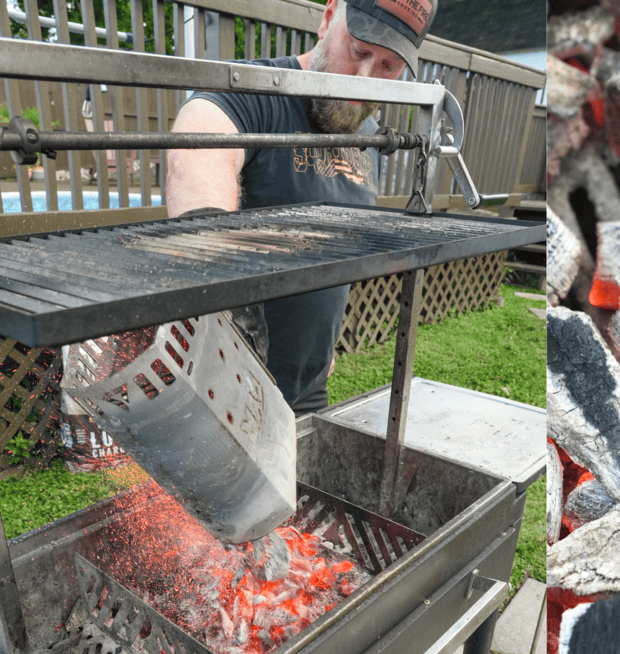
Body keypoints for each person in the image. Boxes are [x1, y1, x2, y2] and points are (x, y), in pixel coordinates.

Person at [165, 0, 438, 413]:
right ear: (329, 18)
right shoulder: (252, 95)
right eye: (359, 52)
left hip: (308, 387)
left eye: (389, 65)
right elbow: (195, 154)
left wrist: (322, 346)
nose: (364, 79)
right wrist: (229, 313)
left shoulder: (365, 131)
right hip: (219, 387)